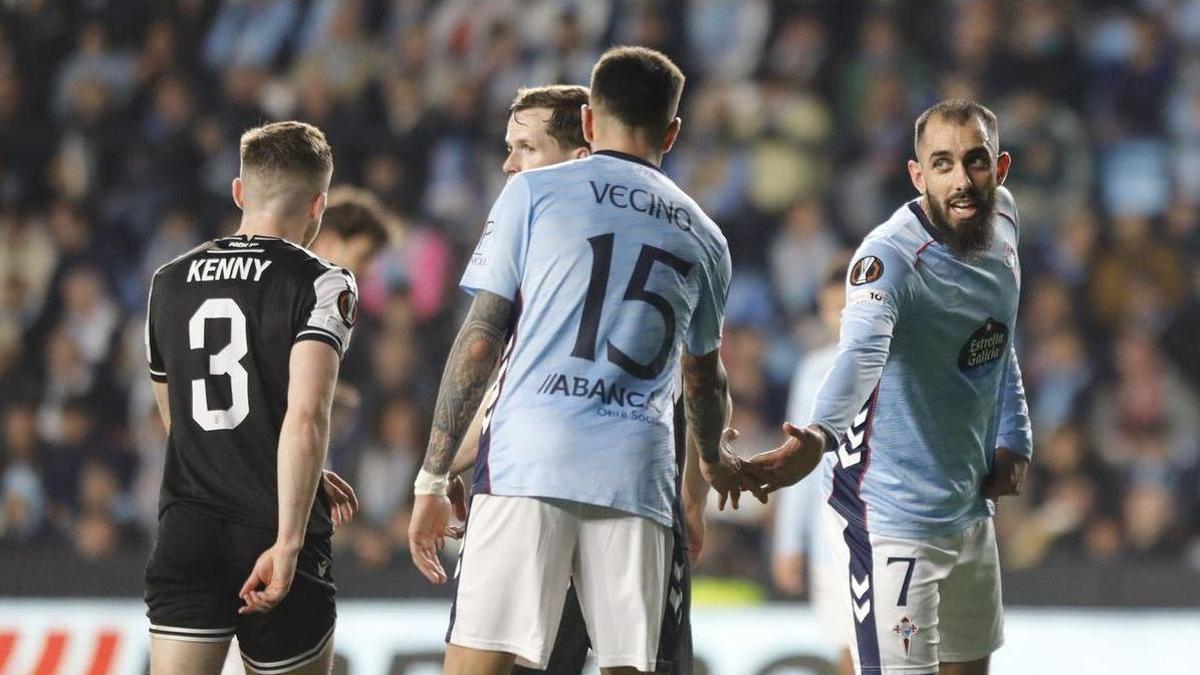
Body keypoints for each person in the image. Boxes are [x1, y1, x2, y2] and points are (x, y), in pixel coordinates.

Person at [408, 46, 752, 675]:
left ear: (589, 121)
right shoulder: (707, 236)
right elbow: (705, 379)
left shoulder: (533, 191)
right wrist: (707, 466)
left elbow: (482, 338)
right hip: (636, 474)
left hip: (527, 462)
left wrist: (433, 475)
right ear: (672, 132)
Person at [748, 100, 1033, 675]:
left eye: (975, 161)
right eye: (942, 163)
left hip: (967, 507)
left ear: (1000, 168)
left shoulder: (1003, 218)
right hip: (889, 519)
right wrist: (819, 435)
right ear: (917, 174)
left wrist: (1015, 435)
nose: (961, 180)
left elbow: (996, 337)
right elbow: (858, 356)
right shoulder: (888, 258)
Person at [143, 121, 357, 675]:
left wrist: (266, 457)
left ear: (240, 192)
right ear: (318, 204)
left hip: (188, 529)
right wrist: (288, 541)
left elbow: (180, 420)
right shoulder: (323, 283)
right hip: (269, 527)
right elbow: (307, 418)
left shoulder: (168, 280)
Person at [771, 262, 854, 675]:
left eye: (845, 307)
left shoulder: (899, 363)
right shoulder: (813, 370)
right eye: (829, 308)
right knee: (845, 647)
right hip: (828, 536)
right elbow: (797, 461)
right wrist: (789, 543)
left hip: (885, 528)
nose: (837, 318)